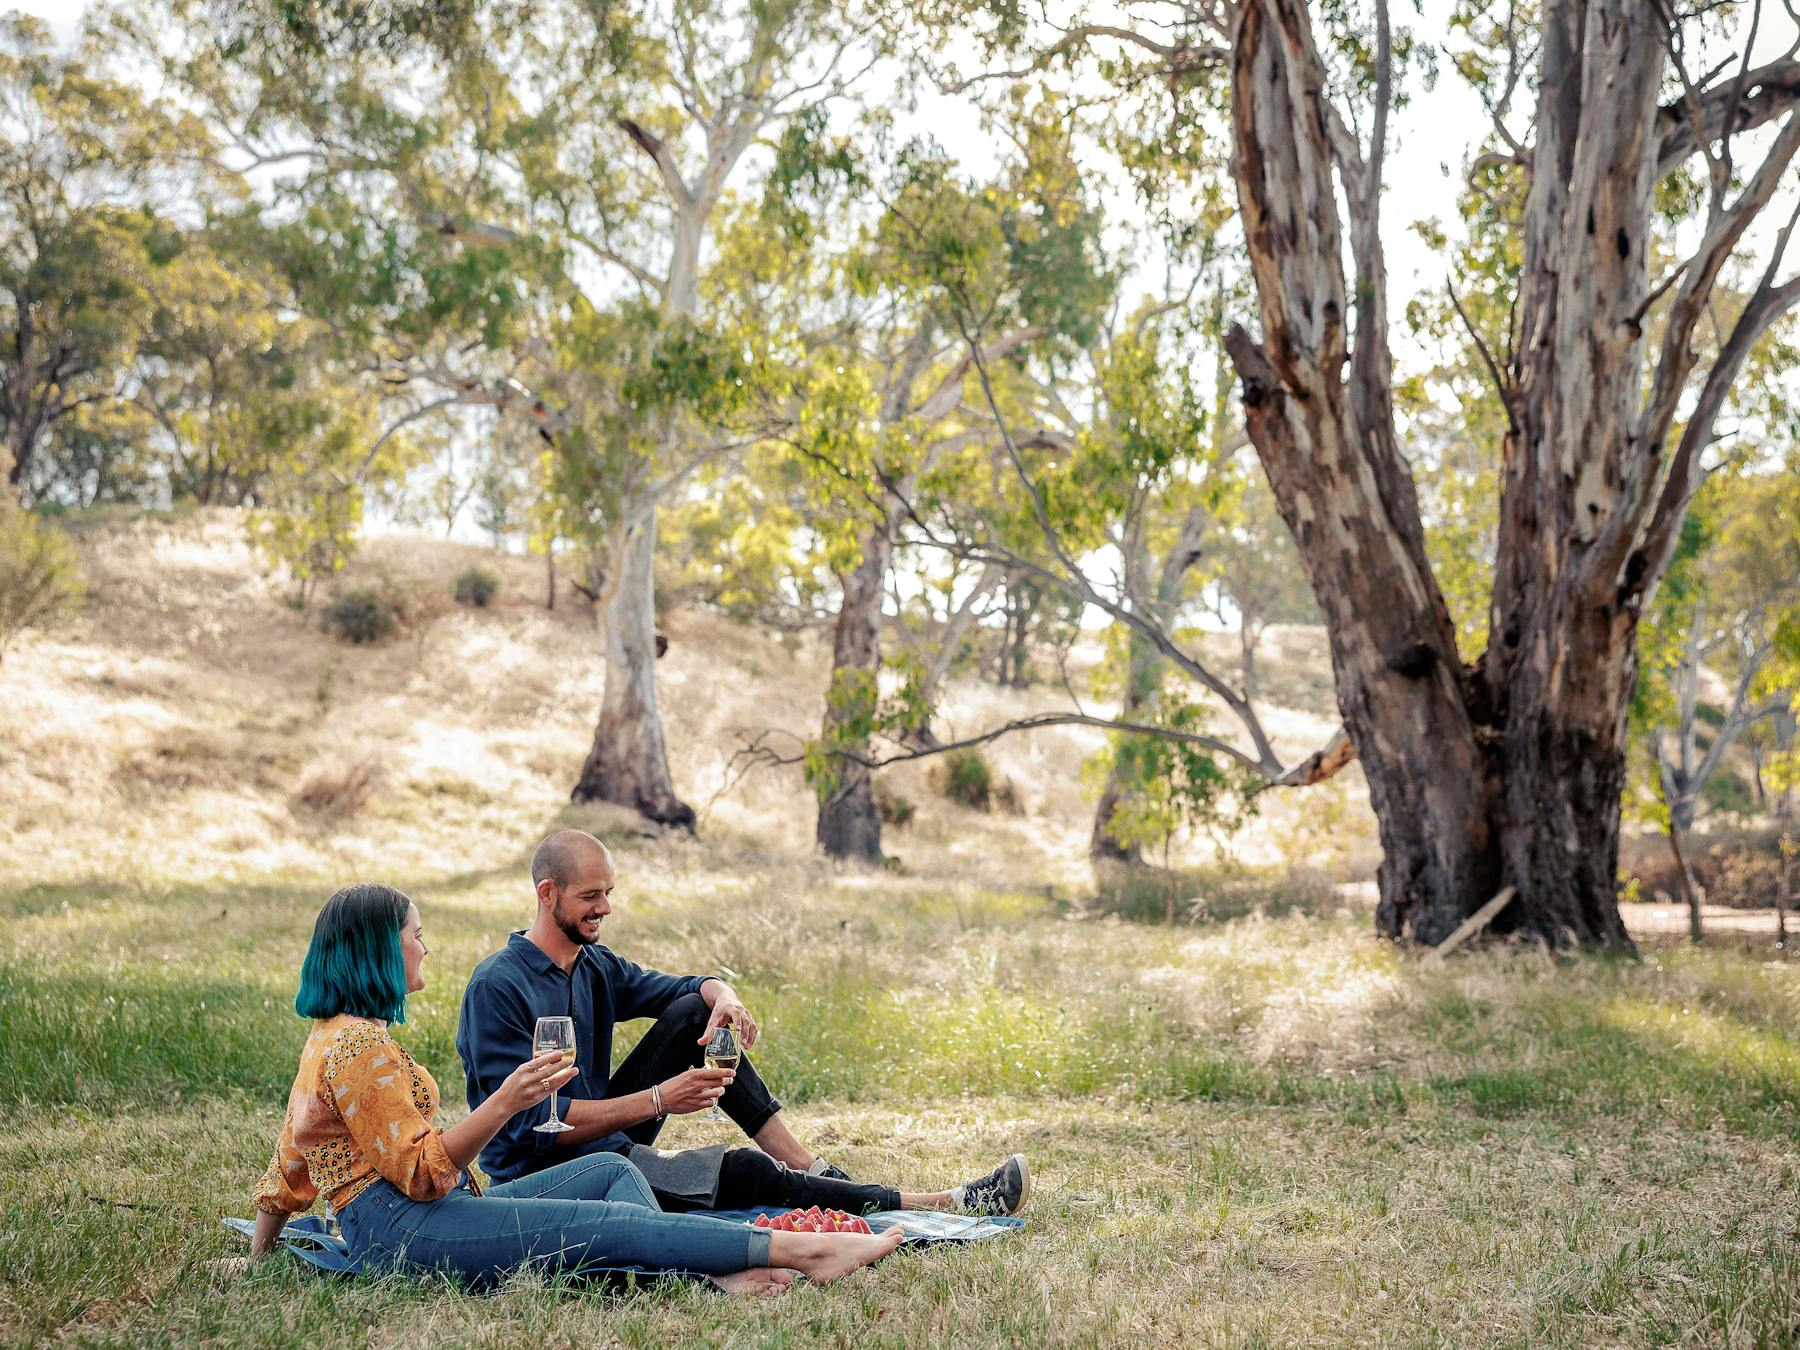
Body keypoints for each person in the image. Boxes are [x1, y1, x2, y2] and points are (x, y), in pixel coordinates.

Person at [247, 882, 902, 1291]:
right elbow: (424, 1175)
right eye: (417, 936)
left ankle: (681, 1271)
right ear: (381, 952)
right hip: (405, 1232)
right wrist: (510, 1100)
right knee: (611, 1224)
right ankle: (805, 1250)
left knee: (609, 1178)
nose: (426, 948)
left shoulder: (332, 1037)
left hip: (416, 1218)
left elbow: (290, 1159)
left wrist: (260, 1255)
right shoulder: (360, 1048)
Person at [457, 830, 1030, 1219]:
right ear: (546, 893)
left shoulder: (593, 964)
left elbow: (686, 989)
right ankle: (944, 1202)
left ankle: (810, 1165)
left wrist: (725, 997)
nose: (604, 907)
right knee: (746, 1175)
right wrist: (660, 1099)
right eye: (590, 896)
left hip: (603, 1138)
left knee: (696, 1012)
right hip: (549, 1174)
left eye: (608, 893)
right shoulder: (498, 986)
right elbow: (532, 1128)